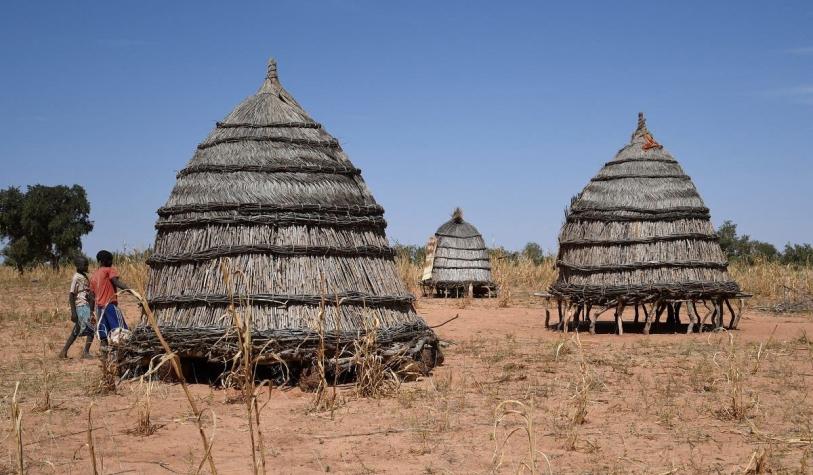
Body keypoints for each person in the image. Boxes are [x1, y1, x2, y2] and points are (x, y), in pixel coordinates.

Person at [89, 250, 130, 347]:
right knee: (119, 331)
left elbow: (91, 296)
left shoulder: (94, 276)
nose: (111, 262)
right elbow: (116, 282)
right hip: (110, 306)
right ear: (105, 261)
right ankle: (120, 355)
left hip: (99, 309)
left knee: (103, 333)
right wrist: (130, 289)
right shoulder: (109, 270)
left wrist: (91, 311)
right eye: (110, 260)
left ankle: (104, 356)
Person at [58, 255, 95, 359]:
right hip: (81, 306)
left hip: (85, 305)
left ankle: (64, 351)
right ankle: (86, 352)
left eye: (87, 264)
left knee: (77, 330)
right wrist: (73, 312)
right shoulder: (76, 277)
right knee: (91, 327)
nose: (87, 266)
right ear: (78, 266)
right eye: (85, 264)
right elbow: (71, 294)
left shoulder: (83, 276)